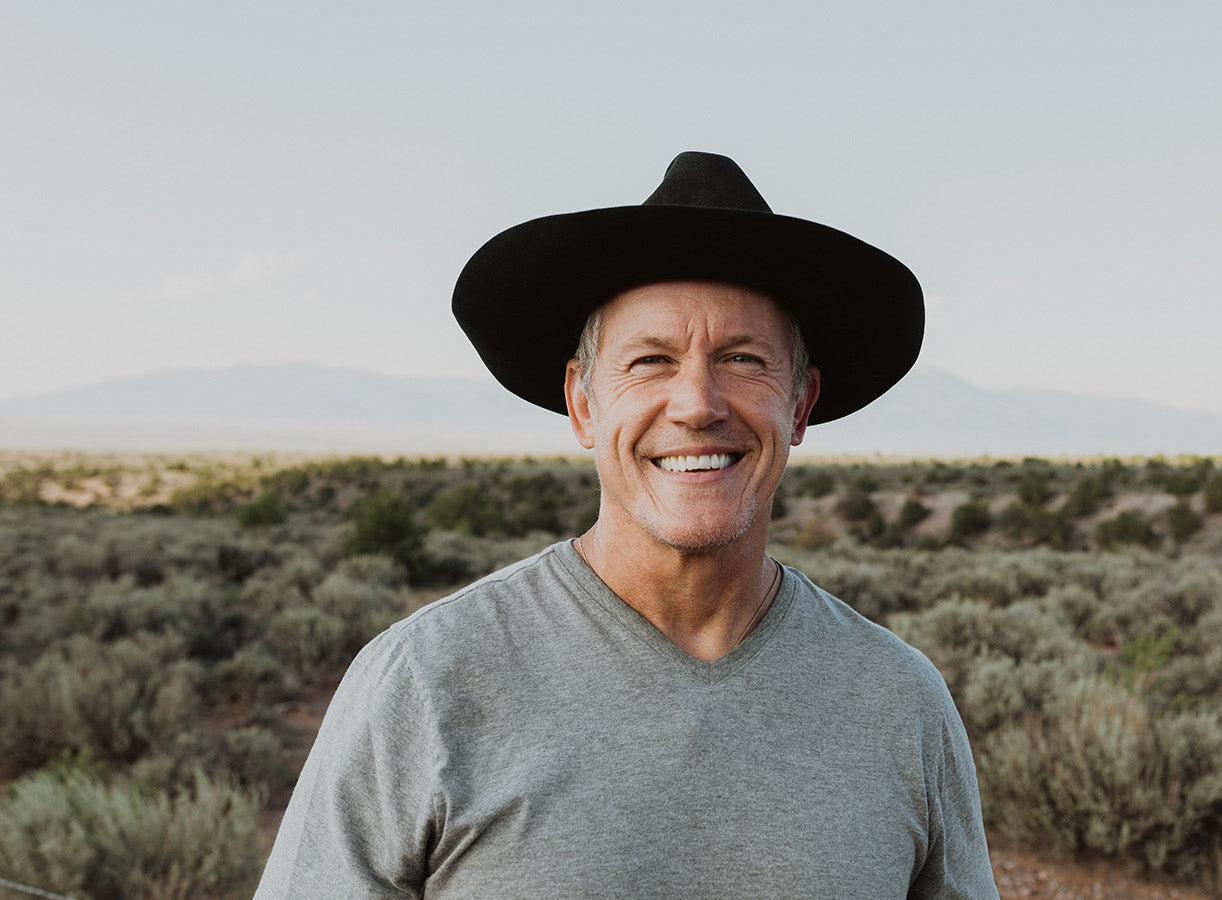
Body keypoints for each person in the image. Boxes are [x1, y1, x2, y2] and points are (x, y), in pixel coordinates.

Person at [254, 152, 998, 898]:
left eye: (742, 358)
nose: (697, 403)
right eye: (650, 361)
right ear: (582, 403)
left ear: (799, 405)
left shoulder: (901, 703)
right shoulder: (424, 684)